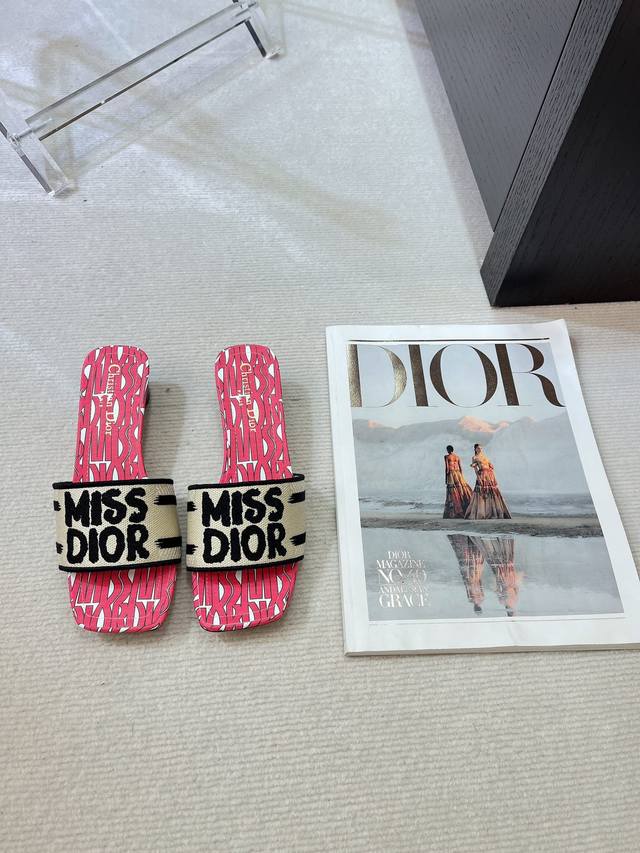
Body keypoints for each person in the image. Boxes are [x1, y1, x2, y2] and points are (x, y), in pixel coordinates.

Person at [465, 444, 511, 520]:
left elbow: (491, 466)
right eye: (478, 448)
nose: (480, 449)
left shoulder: (485, 456)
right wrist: (478, 477)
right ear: (475, 449)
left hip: (490, 475)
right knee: (482, 492)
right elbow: (475, 469)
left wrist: (490, 467)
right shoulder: (474, 457)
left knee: (491, 492)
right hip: (482, 474)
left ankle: (493, 511)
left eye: (481, 448)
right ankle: (482, 512)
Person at [443, 444, 473, 519]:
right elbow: (460, 467)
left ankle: (455, 511)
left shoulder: (446, 457)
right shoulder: (457, 457)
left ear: (448, 450)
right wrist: (461, 476)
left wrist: (446, 478)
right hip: (458, 474)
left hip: (451, 474)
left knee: (452, 492)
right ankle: (465, 508)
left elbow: (447, 468)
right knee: (461, 490)